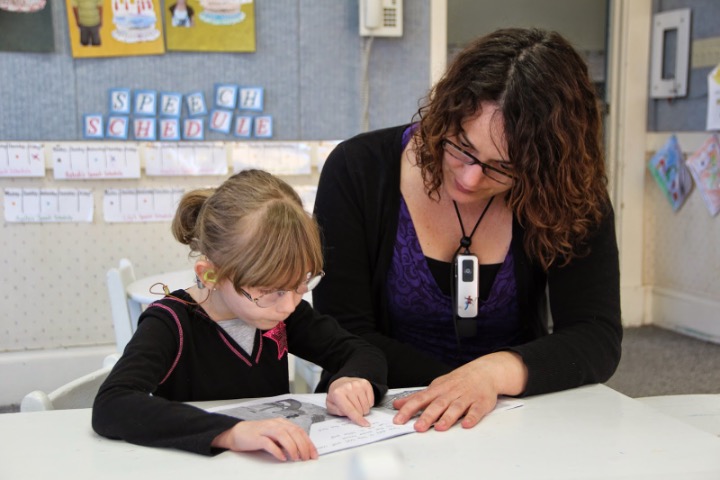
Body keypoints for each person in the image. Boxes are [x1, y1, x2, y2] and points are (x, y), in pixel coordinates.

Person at [312, 28, 622, 434]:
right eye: (460, 146)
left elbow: (595, 335)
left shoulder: (567, 193)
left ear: (544, 169)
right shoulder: (358, 169)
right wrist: (457, 385)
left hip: (510, 411)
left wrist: (492, 375)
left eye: (503, 168)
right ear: (444, 113)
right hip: (379, 409)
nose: (472, 179)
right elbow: (342, 330)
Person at [92, 169, 388, 461]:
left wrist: (352, 380)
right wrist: (230, 432)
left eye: (301, 285)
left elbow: (362, 352)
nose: (288, 306)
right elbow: (113, 404)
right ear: (210, 275)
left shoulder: (282, 314)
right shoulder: (170, 324)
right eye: (270, 291)